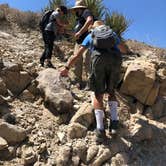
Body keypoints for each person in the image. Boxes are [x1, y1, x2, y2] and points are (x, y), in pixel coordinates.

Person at [60, 21, 127, 142]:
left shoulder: (90, 36)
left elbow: (77, 55)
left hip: (99, 62)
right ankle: (114, 124)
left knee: (98, 94)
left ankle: (100, 130)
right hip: (115, 61)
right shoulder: (112, 34)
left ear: (93, 28)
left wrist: (66, 68)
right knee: (111, 92)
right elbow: (123, 49)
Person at [70, 0, 94, 88]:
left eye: (77, 9)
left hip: (87, 42)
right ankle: (78, 81)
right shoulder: (79, 18)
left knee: (87, 61)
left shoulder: (86, 12)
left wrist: (79, 32)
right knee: (77, 61)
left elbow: (90, 21)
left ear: (81, 8)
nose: (76, 11)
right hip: (79, 42)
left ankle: (90, 83)